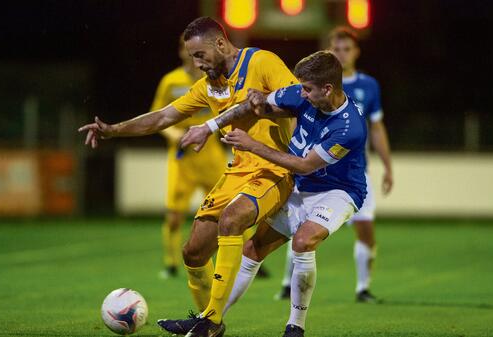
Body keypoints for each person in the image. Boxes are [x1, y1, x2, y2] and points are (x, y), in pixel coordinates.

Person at [79, 17, 297, 337]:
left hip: (275, 168)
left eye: (199, 55)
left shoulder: (261, 61)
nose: (196, 64)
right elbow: (165, 116)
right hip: (238, 171)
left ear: (220, 44)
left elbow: (297, 100)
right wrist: (114, 130)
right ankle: (211, 322)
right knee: (193, 252)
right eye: (192, 57)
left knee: (232, 220)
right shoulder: (208, 86)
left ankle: (208, 322)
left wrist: (269, 115)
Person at [217, 50, 368, 337]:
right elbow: (263, 102)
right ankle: (211, 319)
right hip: (302, 187)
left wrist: (252, 144)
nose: (302, 94)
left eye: (308, 89)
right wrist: (256, 100)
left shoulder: (350, 127)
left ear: (328, 89)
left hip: (339, 191)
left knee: (303, 241)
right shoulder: (303, 93)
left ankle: (295, 327)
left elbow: (305, 165)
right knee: (253, 248)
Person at [275, 26, 393, 303]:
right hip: (314, 171)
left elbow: (377, 128)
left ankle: (363, 288)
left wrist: (388, 166)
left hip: (352, 175)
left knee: (366, 230)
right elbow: (294, 117)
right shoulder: (314, 87)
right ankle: (286, 283)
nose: (341, 54)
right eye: (336, 49)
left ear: (356, 52)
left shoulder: (368, 86)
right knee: (300, 229)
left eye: (346, 49)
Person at [151, 35, 226, 279]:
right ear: (182, 53)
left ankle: (243, 259)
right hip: (183, 155)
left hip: (210, 150)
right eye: (189, 52)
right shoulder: (170, 81)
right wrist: (173, 134)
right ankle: (170, 262)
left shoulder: (215, 80)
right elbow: (158, 115)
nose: (194, 57)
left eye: (199, 52)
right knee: (174, 216)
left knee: (227, 209)